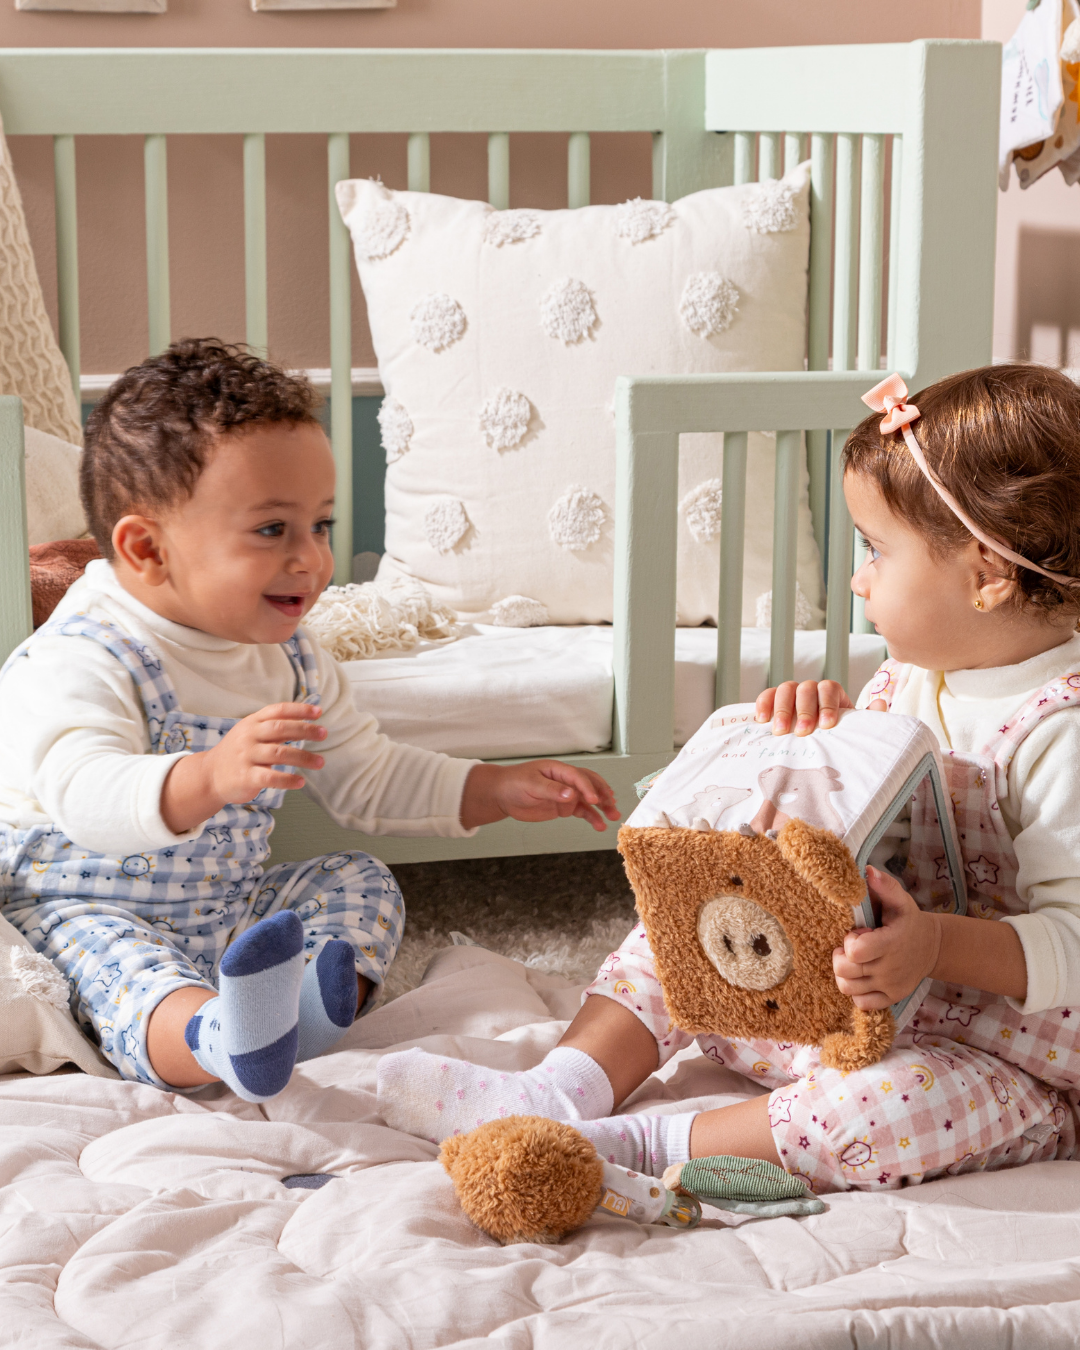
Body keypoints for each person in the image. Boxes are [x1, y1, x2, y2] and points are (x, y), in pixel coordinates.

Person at [378, 363, 1080, 1193]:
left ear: (987, 575)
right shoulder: (911, 676)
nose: (858, 579)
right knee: (687, 927)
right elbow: (861, 818)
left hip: (1007, 1047)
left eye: (876, 550)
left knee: (891, 1109)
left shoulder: (1060, 732)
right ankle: (559, 1088)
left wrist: (932, 946)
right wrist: (824, 735)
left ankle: (633, 1148)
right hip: (866, 989)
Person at [0, 339, 618, 1102]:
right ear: (147, 548)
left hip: (225, 911)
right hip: (80, 909)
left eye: (320, 525)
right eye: (273, 530)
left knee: (360, 880)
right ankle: (217, 1038)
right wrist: (208, 776)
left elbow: (372, 777)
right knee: (123, 971)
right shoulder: (84, 653)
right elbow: (83, 792)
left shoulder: (291, 658)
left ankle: (300, 1016)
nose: (312, 559)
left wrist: (492, 789)